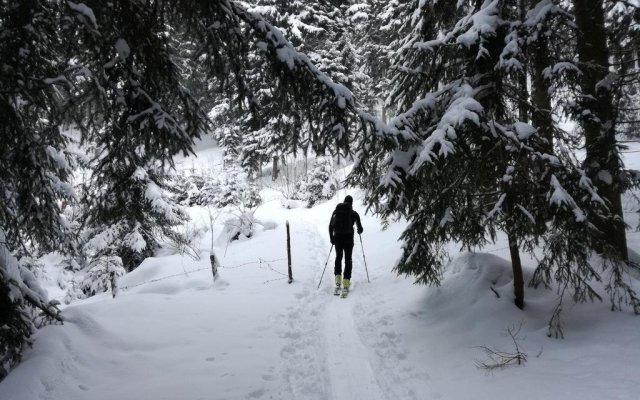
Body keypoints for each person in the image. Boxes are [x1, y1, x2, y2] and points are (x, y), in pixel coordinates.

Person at [328, 195, 363, 292]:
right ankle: (346, 282)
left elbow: (330, 226)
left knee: (338, 258)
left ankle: (338, 280)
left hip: (338, 238)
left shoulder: (336, 212)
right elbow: (360, 229)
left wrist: (332, 238)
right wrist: (358, 230)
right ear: (351, 203)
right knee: (348, 259)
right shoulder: (354, 213)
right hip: (348, 239)